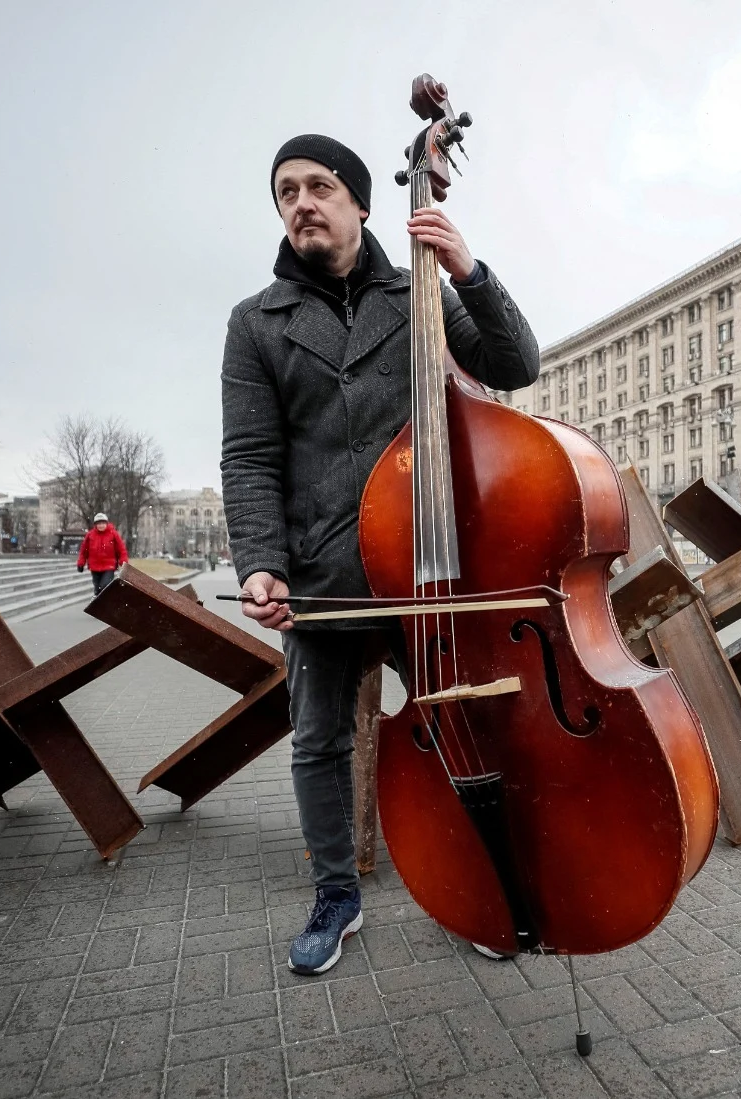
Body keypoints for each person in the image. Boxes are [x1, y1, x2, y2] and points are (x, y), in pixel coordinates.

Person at [222, 134, 538, 975]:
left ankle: (468, 881)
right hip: (321, 571)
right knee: (319, 739)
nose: (301, 203)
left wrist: (469, 269)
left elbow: (517, 364)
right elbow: (250, 456)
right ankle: (336, 893)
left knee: (454, 718)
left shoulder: (423, 293)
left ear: (361, 203)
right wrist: (260, 560)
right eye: (285, 190)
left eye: (319, 186)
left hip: (426, 563)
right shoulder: (255, 322)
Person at [76, 512, 128, 595]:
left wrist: (124, 562)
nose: (101, 525)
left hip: (109, 565)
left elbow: (121, 549)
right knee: (97, 589)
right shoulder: (90, 535)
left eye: (103, 523)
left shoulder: (113, 534)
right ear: (95, 525)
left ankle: (107, 602)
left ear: (106, 523)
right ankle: (98, 605)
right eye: (99, 523)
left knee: (104, 586)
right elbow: (84, 551)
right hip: (95, 566)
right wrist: (81, 563)